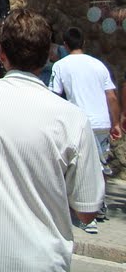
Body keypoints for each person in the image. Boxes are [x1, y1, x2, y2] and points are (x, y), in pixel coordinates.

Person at [0, 9, 104, 270]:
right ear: (48, 53)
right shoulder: (73, 119)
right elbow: (87, 209)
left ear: (1, 53)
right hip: (42, 261)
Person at [49, 26, 121, 232]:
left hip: (79, 122)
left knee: (82, 166)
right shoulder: (98, 65)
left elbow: (55, 95)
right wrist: (115, 122)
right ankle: (100, 204)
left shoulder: (61, 66)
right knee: (101, 164)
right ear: (84, 44)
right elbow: (111, 96)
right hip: (101, 122)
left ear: (64, 45)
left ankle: (89, 217)